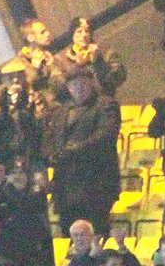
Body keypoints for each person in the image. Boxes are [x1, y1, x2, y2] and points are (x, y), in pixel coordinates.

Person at [42, 67, 121, 234]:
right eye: (74, 85)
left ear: (92, 84)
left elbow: (106, 135)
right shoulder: (61, 111)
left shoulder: (106, 105)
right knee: (69, 236)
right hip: (66, 187)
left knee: (96, 235)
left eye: (83, 84)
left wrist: (75, 149)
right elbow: (51, 139)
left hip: (95, 183)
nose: (79, 89)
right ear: (68, 88)